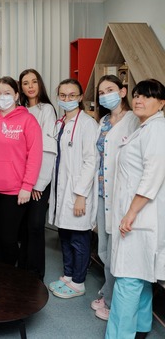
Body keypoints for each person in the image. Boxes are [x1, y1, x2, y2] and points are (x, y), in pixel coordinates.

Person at [106, 79, 165, 339]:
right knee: (139, 277)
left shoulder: (157, 130)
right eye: (137, 95)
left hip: (140, 216)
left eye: (148, 96)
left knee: (128, 279)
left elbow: (152, 176)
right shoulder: (144, 128)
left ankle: (120, 335)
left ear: (161, 103)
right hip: (137, 214)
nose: (139, 100)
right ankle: (141, 329)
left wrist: (130, 213)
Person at [0, 76, 42, 266]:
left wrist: (27, 186)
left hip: (14, 191)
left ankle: (11, 276)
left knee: (8, 237)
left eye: (7, 93)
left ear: (16, 95)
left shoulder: (28, 120)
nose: (2, 97)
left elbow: (35, 156)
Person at [91, 75, 139, 320]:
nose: (105, 95)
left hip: (121, 195)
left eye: (110, 90)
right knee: (103, 249)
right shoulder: (103, 121)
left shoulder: (133, 120)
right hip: (102, 193)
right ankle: (108, 291)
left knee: (116, 251)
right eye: (101, 92)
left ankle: (112, 302)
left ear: (122, 91)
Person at [47, 79, 98, 299]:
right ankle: (68, 275)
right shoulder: (59, 123)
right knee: (65, 235)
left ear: (80, 97)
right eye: (63, 95)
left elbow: (91, 161)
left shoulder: (87, 124)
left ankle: (78, 282)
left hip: (77, 192)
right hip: (61, 189)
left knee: (79, 238)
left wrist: (80, 195)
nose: (67, 99)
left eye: (72, 95)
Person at [17, 69, 57, 280]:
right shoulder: (19, 110)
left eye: (34, 82)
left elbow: (47, 149)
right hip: (20, 180)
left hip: (38, 181)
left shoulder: (46, 110)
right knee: (23, 228)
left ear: (40, 84)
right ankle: (22, 269)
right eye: (26, 83)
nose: (30, 86)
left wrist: (38, 184)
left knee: (34, 226)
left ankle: (34, 275)